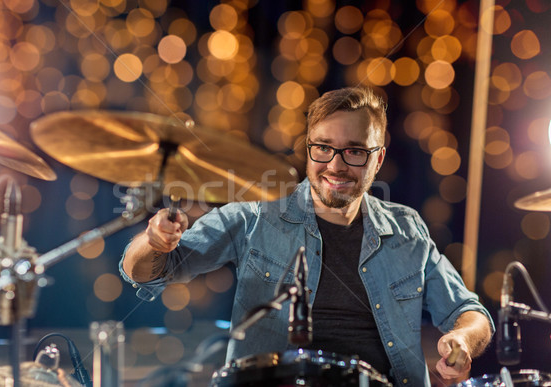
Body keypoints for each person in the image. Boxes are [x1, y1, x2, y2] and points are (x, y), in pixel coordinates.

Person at [120, 86, 494, 386]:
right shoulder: (255, 215)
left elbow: (471, 313)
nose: (335, 164)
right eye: (324, 147)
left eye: (354, 151)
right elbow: (146, 270)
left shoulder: (406, 229)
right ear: (308, 148)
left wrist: (461, 341)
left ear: (378, 159)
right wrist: (154, 242)